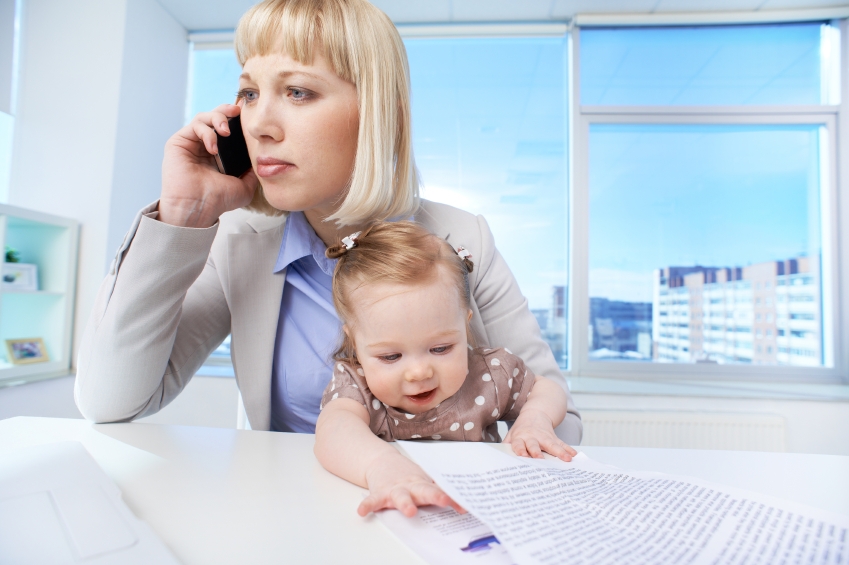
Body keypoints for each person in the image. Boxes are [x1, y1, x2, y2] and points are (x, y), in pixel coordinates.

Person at [74, 0, 582, 512]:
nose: (259, 125)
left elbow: (562, 419)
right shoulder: (238, 242)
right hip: (294, 516)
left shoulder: (462, 237)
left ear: (374, 112)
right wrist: (183, 215)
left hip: (445, 516)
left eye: (298, 91)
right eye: (249, 93)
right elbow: (110, 401)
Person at [314, 221, 577, 517]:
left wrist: (535, 419)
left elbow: (546, 388)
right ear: (356, 344)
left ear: (464, 325)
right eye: (390, 356)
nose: (419, 372)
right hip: (393, 509)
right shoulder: (357, 382)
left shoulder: (488, 374)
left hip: (480, 509)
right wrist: (379, 465)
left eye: (440, 349)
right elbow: (333, 430)